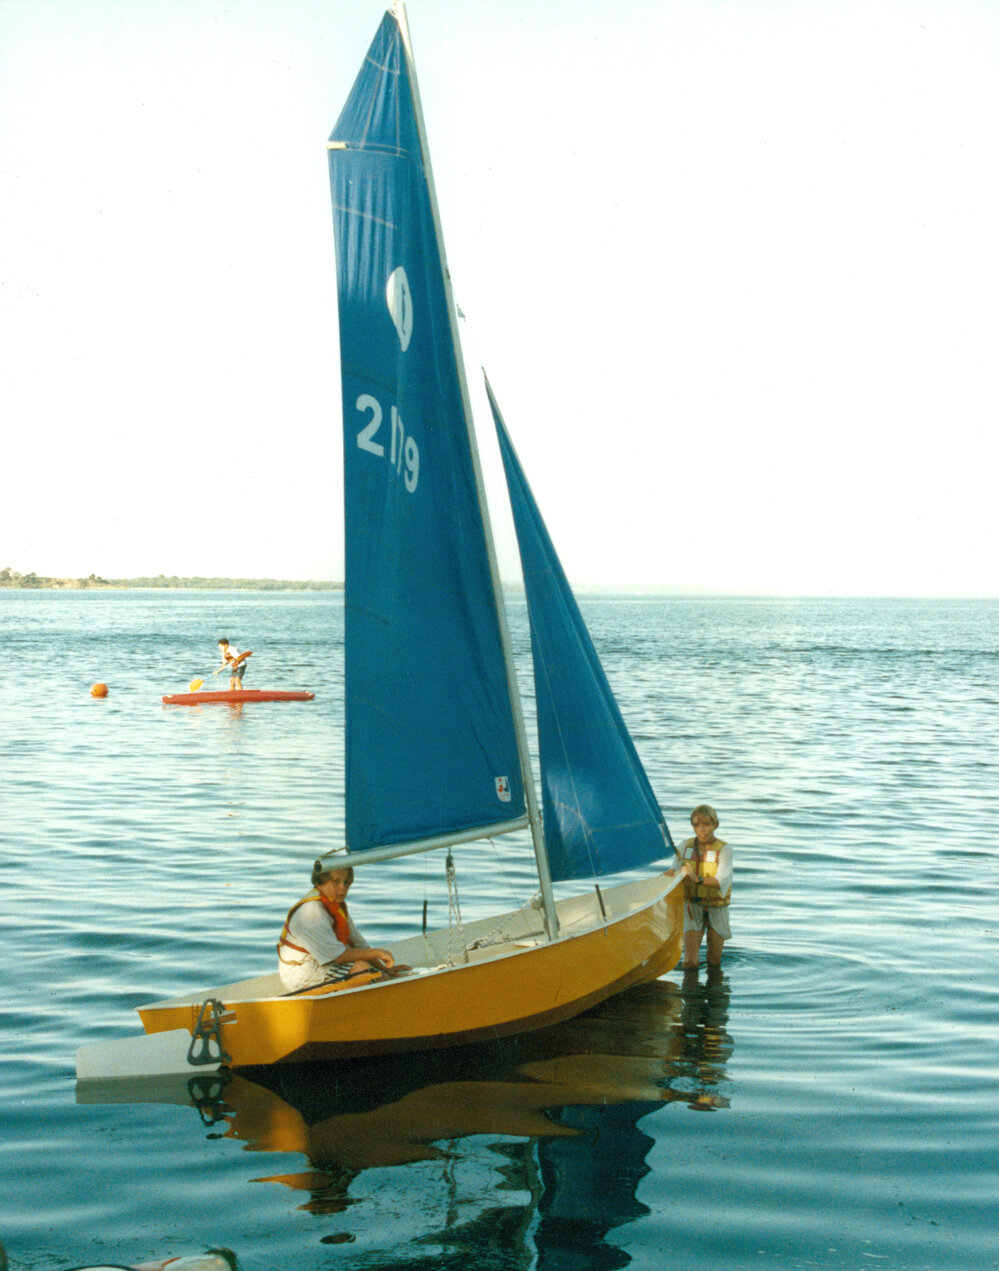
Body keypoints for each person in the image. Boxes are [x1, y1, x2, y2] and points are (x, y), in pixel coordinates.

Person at [277, 861, 407, 993]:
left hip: (322, 963)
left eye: (346, 883)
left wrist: (385, 969)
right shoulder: (312, 912)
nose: (342, 888)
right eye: (336, 882)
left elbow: (359, 945)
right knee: (362, 970)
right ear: (319, 883)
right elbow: (338, 956)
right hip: (299, 972)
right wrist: (378, 953)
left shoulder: (335, 906)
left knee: (377, 975)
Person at [666, 804, 732, 970]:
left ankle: (714, 992)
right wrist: (669, 875)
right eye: (696, 825)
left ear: (715, 825)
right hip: (692, 906)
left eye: (706, 824)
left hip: (717, 907)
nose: (701, 829)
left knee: (714, 960)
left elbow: (720, 881)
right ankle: (690, 994)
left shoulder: (724, 850)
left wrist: (696, 879)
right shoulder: (685, 846)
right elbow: (674, 870)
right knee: (690, 962)